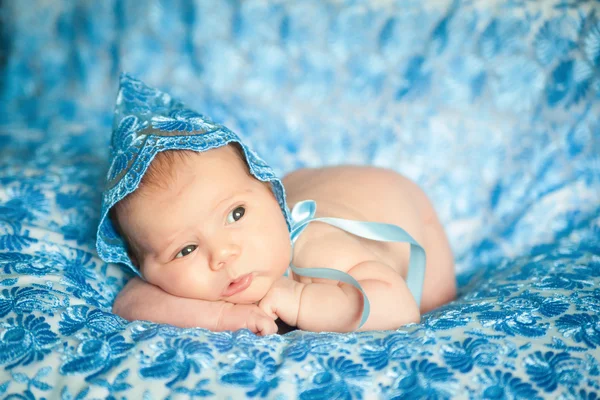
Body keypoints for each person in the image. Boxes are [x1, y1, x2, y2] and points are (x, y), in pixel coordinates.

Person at [97, 74, 456, 335]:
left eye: (235, 214)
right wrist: (222, 319)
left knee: (433, 302)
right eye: (185, 250)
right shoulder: (190, 276)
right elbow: (129, 303)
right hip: (309, 180)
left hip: (395, 199)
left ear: (272, 196)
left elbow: (399, 308)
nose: (222, 253)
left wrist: (299, 299)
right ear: (144, 268)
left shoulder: (318, 250)